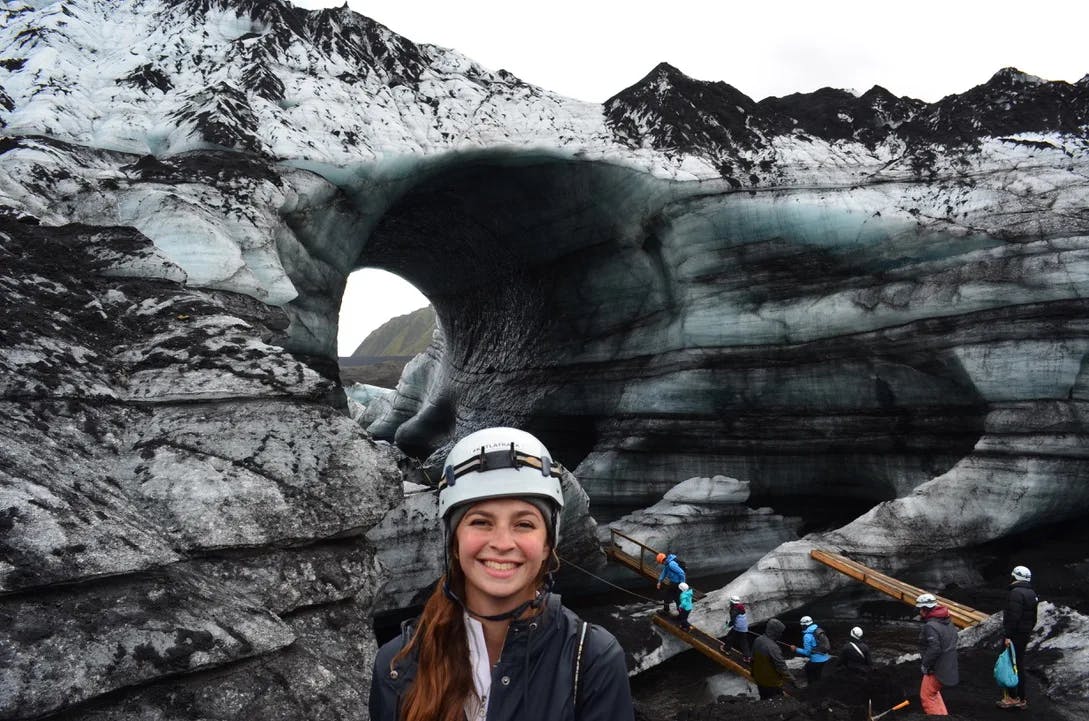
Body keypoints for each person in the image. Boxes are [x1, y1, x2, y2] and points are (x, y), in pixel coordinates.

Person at [369, 427, 635, 721]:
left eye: (524, 524)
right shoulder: (399, 665)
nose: (502, 543)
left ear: (547, 544)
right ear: (454, 541)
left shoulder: (591, 661)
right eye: (481, 522)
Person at [997, 565, 1038, 709]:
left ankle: (1012, 697)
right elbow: (1034, 618)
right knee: (1019, 664)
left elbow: (1013, 616)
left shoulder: (1015, 593)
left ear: (1014, 577)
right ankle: (1021, 698)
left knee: (1010, 665)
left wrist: (1008, 635)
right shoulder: (1031, 593)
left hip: (1014, 635)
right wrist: (1026, 631)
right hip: (1024, 634)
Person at [916, 592, 959, 716]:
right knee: (934, 693)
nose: (919, 613)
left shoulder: (930, 626)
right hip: (949, 667)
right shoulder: (947, 622)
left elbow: (935, 649)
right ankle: (943, 716)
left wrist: (925, 665)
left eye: (920, 609)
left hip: (936, 669)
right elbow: (954, 638)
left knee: (927, 696)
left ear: (925, 610)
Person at [750, 618, 795, 699]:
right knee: (777, 701)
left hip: (759, 679)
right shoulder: (773, 648)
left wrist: (752, 673)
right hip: (771, 682)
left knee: (764, 699)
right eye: (780, 632)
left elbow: (752, 659)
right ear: (775, 632)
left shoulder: (758, 640)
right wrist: (792, 680)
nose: (781, 635)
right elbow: (782, 667)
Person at [794, 614, 831, 683]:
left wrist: (796, 649)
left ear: (804, 626)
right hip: (826, 659)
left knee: (811, 674)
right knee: (821, 678)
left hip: (816, 662)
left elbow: (807, 652)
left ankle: (812, 688)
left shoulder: (807, 636)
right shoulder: (819, 630)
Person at [721, 595, 751, 662]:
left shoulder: (734, 609)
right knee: (744, 642)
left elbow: (733, 619)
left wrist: (729, 625)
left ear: (732, 602)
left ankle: (726, 649)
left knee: (730, 637)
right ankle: (747, 657)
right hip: (744, 627)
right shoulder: (741, 607)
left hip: (738, 627)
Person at [655, 551, 686, 615]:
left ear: (662, 561)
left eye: (660, 562)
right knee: (667, 595)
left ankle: (681, 613)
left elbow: (682, 573)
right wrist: (659, 582)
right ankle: (667, 610)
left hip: (678, 584)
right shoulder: (667, 565)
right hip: (673, 583)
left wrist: (682, 583)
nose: (661, 564)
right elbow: (663, 574)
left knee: (677, 598)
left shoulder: (671, 564)